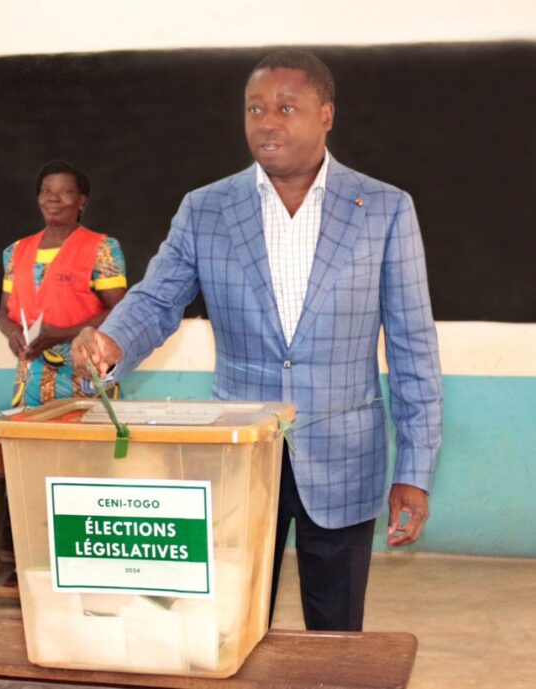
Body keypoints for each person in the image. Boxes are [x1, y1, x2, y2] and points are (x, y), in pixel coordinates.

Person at [71, 50, 443, 631]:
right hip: (239, 455)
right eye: (255, 108)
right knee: (233, 628)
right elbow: (156, 298)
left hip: (345, 459)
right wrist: (112, 342)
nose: (267, 121)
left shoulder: (386, 210)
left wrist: (415, 470)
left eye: (286, 107)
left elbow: (413, 347)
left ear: (325, 114)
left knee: (336, 637)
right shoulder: (207, 208)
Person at [0, 160, 127, 406]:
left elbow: (120, 310)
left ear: (82, 201)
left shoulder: (102, 249)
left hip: (85, 376)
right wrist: (12, 332)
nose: (53, 199)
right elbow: (4, 311)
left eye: (65, 192)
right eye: (46, 191)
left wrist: (61, 335)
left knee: (85, 443)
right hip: (31, 381)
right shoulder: (15, 251)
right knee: (28, 442)